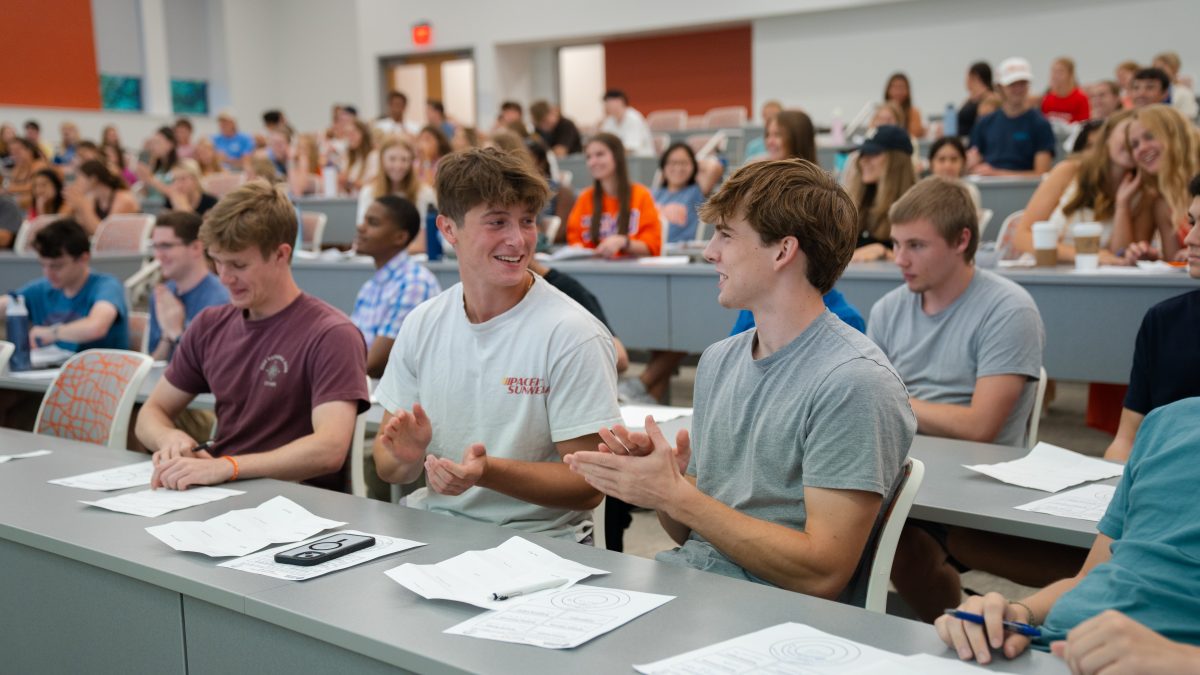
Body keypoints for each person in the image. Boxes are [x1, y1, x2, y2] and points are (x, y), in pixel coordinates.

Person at [565, 158, 915, 596]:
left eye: (726, 235)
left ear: (783, 251)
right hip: (695, 589)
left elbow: (823, 573)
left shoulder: (855, 383)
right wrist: (666, 483)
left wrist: (677, 496)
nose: (710, 251)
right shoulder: (719, 360)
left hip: (774, 620)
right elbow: (693, 535)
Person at [372, 147, 620, 542]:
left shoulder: (572, 332)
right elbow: (388, 464)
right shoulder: (422, 323)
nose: (518, 240)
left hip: (539, 543)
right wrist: (405, 457)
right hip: (434, 530)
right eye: (497, 222)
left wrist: (488, 473)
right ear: (449, 229)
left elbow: (589, 485)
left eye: (527, 221)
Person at [136, 180, 370, 492]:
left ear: (281, 254)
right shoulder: (210, 324)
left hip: (295, 506)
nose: (225, 277)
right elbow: (151, 413)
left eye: (238, 264)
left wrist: (227, 467)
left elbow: (329, 449)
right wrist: (170, 438)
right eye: (217, 261)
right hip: (221, 492)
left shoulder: (331, 334)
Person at [935, 396, 1200, 666]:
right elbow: (1088, 577)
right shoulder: (1167, 422)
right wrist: (1016, 613)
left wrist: (1187, 661)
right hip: (1051, 648)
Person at [1103, 175, 1200, 461]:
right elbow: (1126, 440)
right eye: (1192, 223)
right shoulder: (1163, 321)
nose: (1190, 238)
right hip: (1157, 490)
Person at [1012, 109, 1148, 264]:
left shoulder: (1144, 192)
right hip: (1046, 270)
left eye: (1145, 138)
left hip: (1099, 282)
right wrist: (1088, 255)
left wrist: (1122, 205)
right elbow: (1022, 237)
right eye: (1127, 133)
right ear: (1107, 137)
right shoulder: (1069, 171)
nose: (1134, 142)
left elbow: (1121, 256)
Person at [0, 218, 129, 351]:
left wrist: (53, 333)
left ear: (83, 259)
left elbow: (96, 327)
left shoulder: (107, 286)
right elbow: (6, 303)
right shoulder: (43, 288)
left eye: (57, 266)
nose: (48, 273)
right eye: (43, 265)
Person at [350, 195, 441, 379]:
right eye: (364, 220)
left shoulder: (413, 283)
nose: (361, 227)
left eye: (373, 223)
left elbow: (375, 364)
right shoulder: (371, 286)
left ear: (400, 237)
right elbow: (349, 347)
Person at [1117, 105, 1200, 262]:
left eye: (1149, 136)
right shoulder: (1163, 204)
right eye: (1134, 145)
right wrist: (1153, 258)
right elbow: (1174, 264)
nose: (1142, 148)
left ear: (1174, 135)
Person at [146, 211, 230, 361]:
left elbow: (213, 371)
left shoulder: (222, 301)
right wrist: (167, 336)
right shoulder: (161, 296)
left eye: (166, 246)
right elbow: (154, 365)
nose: (158, 255)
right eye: (155, 246)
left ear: (196, 248)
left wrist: (177, 333)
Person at [565, 133, 662, 258]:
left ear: (617, 157)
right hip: (594, 271)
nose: (592, 162)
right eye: (588, 157)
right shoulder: (585, 198)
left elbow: (653, 247)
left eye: (600, 154)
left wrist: (624, 242)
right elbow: (575, 243)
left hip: (633, 272)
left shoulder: (641, 195)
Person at [968, 57, 1056, 177]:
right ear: (1000, 87)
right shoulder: (985, 123)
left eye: (1023, 83)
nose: (1018, 89)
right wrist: (970, 164)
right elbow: (972, 160)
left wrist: (996, 174)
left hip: (1025, 192)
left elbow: (1041, 174)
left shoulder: (1040, 124)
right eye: (1012, 84)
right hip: (989, 190)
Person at [845, 126, 917, 261]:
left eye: (873, 153)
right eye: (862, 154)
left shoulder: (915, 209)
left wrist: (884, 253)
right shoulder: (859, 204)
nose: (863, 160)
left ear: (896, 161)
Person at [355, 136, 436, 245]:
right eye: (392, 159)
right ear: (382, 161)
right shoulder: (368, 192)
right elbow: (365, 231)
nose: (398, 165)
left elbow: (425, 236)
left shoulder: (424, 193)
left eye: (404, 159)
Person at [653, 142, 718, 244]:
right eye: (672, 163)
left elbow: (714, 167)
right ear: (663, 166)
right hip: (654, 251)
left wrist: (692, 163)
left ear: (694, 166)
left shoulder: (696, 191)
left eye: (684, 163)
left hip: (680, 253)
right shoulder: (654, 194)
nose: (678, 168)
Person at [63, 160, 140, 235]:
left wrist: (84, 207)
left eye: (79, 178)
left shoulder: (123, 199)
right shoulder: (93, 199)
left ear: (93, 179)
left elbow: (106, 235)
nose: (76, 183)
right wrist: (78, 208)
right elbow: (84, 230)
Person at [926, 137, 981, 208]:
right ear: (931, 163)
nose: (948, 166)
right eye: (941, 159)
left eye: (954, 159)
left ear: (963, 162)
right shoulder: (923, 193)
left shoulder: (970, 192)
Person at [599, 90, 655, 157]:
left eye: (609, 102)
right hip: (620, 158)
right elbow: (603, 142)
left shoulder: (633, 118)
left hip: (640, 159)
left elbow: (630, 148)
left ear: (620, 102)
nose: (606, 105)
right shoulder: (609, 120)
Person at [1040, 57, 1091, 124]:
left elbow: (1084, 124)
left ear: (1070, 74)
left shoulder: (1081, 98)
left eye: (1060, 72)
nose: (1055, 76)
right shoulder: (1047, 99)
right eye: (1053, 71)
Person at [135, 126, 180, 201]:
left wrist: (150, 178)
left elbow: (173, 193)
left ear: (170, 145)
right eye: (153, 143)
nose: (154, 147)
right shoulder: (157, 167)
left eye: (158, 142)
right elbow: (146, 191)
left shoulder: (179, 166)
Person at [1152, 51, 1199, 120]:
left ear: (1175, 69)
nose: (1157, 72)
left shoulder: (1183, 92)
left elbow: (1189, 117)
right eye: (1154, 68)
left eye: (1162, 68)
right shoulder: (1149, 92)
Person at [5, 138, 48, 211]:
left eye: (17, 151)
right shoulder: (18, 167)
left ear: (29, 151)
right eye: (11, 151)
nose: (14, 155)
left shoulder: (39, 165)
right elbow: (11, 185)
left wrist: (9, 189)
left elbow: (34, 186)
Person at [957, 62, 994, 139]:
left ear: (975, 77)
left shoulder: (990, 99)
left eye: (967, 77)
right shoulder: (970, 99)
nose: (966, 81)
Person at [884, 72, 926, 138]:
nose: (897, 92)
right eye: (894, 87)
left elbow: (914, 135)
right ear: (888, 90)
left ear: (907, 91)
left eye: (901, 88)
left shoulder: (913, 113)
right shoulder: (881, 112)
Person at [340, 120, 376, 195]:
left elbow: (373, 185)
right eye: (347, 134)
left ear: (364, 134)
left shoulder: (373, 156)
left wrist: (350, 183)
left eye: (353, 133)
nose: (350, 138)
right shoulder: (349, 158)